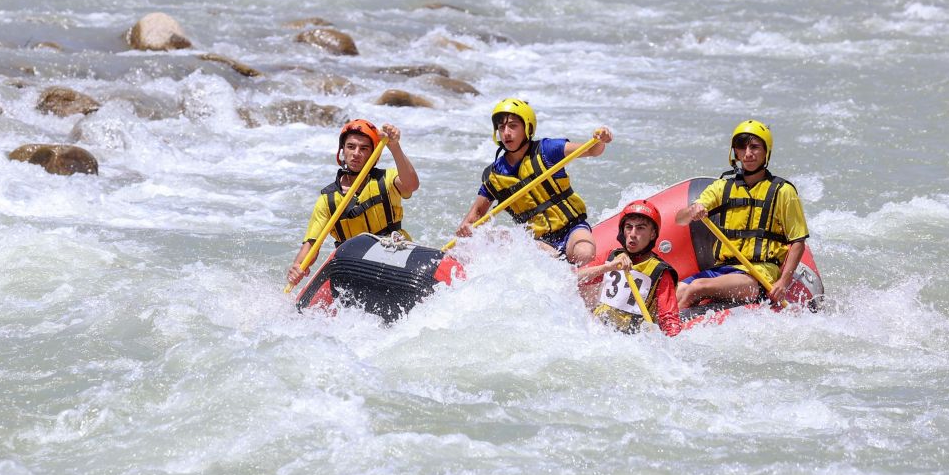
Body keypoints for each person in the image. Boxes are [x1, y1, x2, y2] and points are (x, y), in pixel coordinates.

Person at [454, 97, 611, 267]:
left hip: (572, 228)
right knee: (501, 237)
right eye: (501, 127)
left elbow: (592, 150)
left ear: (527, 128)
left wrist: (600, 139)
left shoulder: (547, 150)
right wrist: (465, 230)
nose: (506, 133)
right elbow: (475, 216)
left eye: (513, 126)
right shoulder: (494, 175)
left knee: (584, 253)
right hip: (537, 242)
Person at [674, 119, 809, 309]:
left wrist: (783, 282)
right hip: (722, 270)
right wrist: (692, 210)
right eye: (742, 147)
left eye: (755, 147)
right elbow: (680, 219)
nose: (748, 153)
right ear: (735, 153)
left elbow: (798, 242)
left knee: (697, 287)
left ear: (766, 151)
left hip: (759, 275)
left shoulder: (783, 191)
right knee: (674, 294)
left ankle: (670, 328)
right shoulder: (722, 187)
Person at [287, 119, 419, 286]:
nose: (356, 153)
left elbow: (411, 185)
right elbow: (312, 244)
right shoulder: (327, 199)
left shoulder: (387, 180)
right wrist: (298, 266)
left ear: (373, 154)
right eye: (351, 147)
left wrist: (394, 147)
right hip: (355, 267)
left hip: (394, 256)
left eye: (364, 148)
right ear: (342, 151)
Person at [577, 200, 681, 336]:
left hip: (632, 339)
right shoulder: (611, 257)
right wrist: (607, 267)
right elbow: (574, 278)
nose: (632, 234)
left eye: (640, 228)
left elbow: (669, 320)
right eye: (628, 227)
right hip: (598, 331)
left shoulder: (661, 272)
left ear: (652, 234)